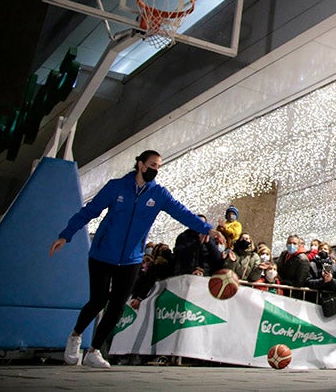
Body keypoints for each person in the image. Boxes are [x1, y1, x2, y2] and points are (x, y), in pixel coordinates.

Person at [49, 150, 216, 369]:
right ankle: (75, 336)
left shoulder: (159, 194)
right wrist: (66, 235)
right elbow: (90, 211)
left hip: (131, 259)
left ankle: (94, 350)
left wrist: (206, 228)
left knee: (117, 306)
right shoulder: (116, 186)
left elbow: (180, 212)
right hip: (102, 254)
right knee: (98, 300)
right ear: (140, 164)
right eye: (152, 165)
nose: (155, 170)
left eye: (158, 166)